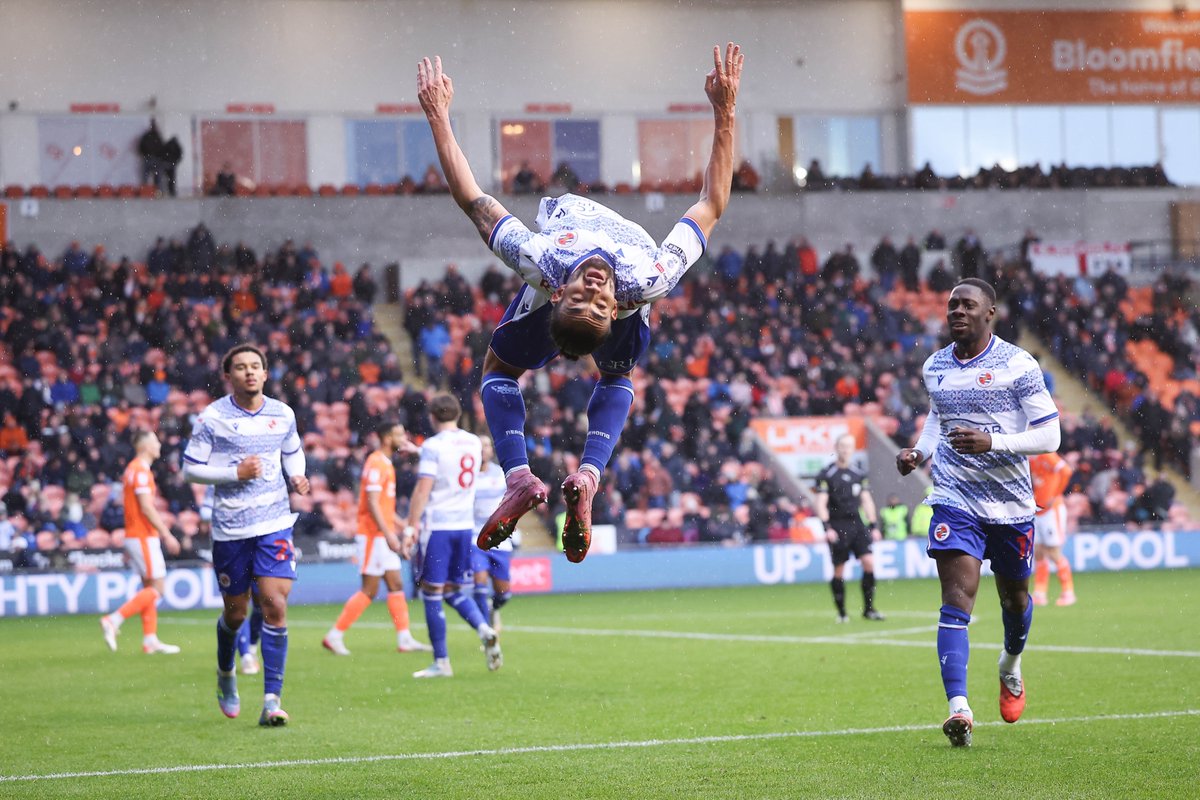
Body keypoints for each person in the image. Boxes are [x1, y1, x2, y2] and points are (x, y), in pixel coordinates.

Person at [415, 43, 743, 563]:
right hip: (634, 291)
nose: (592, 291)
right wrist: (725, 114)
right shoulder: (646, 279)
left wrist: (439, 118)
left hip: (572, 238)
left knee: (498, 369)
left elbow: (472, 199)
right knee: (616, 379)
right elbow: (711, 204)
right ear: (610, 308)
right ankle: (585, 477)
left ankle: (519, 477)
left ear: (555, 294)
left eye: (584, 300)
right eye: (593, 301)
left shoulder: (540, 260)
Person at [896, 278, 1061, 748]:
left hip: (1010, 504)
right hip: (955, 496)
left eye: (968, 305)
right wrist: (920, 452)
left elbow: (1050, 437)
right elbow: (937, 415)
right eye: (952, 306)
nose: (957, 312)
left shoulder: (1018, 365)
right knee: (957, 599)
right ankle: (960, 709)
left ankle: (1010, 664)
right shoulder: (935, 366)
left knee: (1014, 600)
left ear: (991, 313)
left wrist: (995, 442)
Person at [183, 344, 310, 727]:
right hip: (231, 530)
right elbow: (190, 469)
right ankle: (225, 671)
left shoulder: (282, 413)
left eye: (256, 366)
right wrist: (233, 474)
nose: (249, 372)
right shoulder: (212, 418)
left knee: (274, 605)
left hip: (273, 525)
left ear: (266, 373)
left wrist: (297, 475)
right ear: (230, 375)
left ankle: (272, 700)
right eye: (241, 367)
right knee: (236, 614)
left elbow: (293, 452)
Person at [400, 394, 501, 678]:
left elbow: (423, 489)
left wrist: (410, 527)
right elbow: (454, 463)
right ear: (457, 415)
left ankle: (442, 662)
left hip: (438, 528)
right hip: (464, 526)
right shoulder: (471, 441)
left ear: (432, 417)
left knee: (431, 593)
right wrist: (420, 453)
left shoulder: (432, 446)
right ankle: (485, 629)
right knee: (455, 590)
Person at [322, 421, 430, 655]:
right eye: (398, 434)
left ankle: (404, 638)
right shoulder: (376, 463)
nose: (403, 439)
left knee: (396, 584)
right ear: (386, 438)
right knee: (369, 589)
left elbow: (382, 505)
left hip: (382, 534)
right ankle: (335, 635)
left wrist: (401, 524)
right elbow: (371, 503)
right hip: (373, 535)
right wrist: (390, 534)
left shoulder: (386, 463)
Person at [98, 430, 183, 654]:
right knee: (158, 588)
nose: (158, 444)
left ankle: (150, 640)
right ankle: (113, 619)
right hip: (143, 535)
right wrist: (166, 533)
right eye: (155, 440)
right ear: (145, 446)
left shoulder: (133, 469)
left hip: (136, 535)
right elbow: (146, 507)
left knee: (149, 587)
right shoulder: (140, 471)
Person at [813, 434, 884, 623]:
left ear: (853, 449)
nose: (846, 450)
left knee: (869, 562)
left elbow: (866, 500)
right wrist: (826, 527)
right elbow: (821, 503)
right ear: (836, 448)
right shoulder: (826, 474)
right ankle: (842, 613)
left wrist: (873, 524)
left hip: (857, 524)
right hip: (837, 525)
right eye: (842, 446)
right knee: (839, 570)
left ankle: (868, 609)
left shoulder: (859, 474)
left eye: (849, 446)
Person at [470, 435, 515, 629]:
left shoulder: (500, 474)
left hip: (499, 537)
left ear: (491, 450)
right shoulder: (467, 476)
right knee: (479, 583)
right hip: (475, 536)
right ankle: (487, 631)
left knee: (503, 592)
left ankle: (493, 608)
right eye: (479, 446)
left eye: (487, 445)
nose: (483, 449)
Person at [1029, 452, 1075, 607]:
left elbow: (1066, 471)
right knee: (1039, 551)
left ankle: (1068, 592)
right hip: (1038, 510)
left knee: (1054, 552)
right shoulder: (1031, 457)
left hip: (1051, 510)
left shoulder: (1045, 454)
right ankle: (1040, 593)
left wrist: (1055, 495)